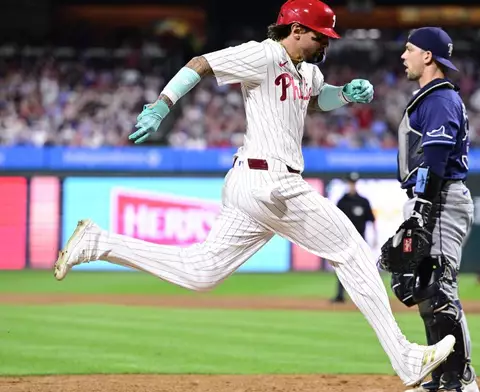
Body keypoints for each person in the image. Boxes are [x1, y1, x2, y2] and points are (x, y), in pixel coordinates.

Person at [52, 0, 455, 387]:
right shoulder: (262, 55)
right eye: (319, 35)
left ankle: (98, 243)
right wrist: (162, 105)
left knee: (201, 271)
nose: (326, 43)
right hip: (270, 182)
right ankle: (405, 357)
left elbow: (313, 101)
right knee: (350, 250)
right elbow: (201, 63)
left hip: (253, 186)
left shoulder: (307, 70)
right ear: (296, 30)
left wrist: (345, 94)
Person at [385, 27, 480, 392]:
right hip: (431, 198)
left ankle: (460, 377)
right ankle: (443, 374)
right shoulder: (428, 98)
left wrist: (423, 206)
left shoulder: (439, 98)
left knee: (440, 290)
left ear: (428, 56)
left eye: (409, 49)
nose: (403, 56)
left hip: (441, 198)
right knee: (426, 291)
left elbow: (436, 159)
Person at [331, 172, 377, 303]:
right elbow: (336, 221)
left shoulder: (363, 201)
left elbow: (372, 220)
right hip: (344, 239)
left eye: (353, 183)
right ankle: (340, 295)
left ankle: (366, 296)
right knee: (342, 267)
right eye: (350, 183)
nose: (352, 185)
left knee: (363, 267)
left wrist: (375, 237)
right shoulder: (342, 201)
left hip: (360, 240)